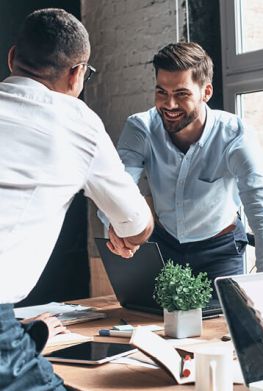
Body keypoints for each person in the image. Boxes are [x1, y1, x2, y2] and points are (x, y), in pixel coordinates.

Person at [0, 9, 153, 390]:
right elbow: (137, 226)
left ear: (12, 58)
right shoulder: (75, 120)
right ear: (77, 73)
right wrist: (127, 235)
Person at [115, 42, 263, 283]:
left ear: (206, 92)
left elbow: (262, 205)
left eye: (181, 94)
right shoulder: (140, 127)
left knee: (223, 321)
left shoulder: (235, 134)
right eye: (161, 92)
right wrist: (118, 231)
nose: (169, 104)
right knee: (151, 320)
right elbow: (118, 187)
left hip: (220, 252)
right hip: (163, 246)